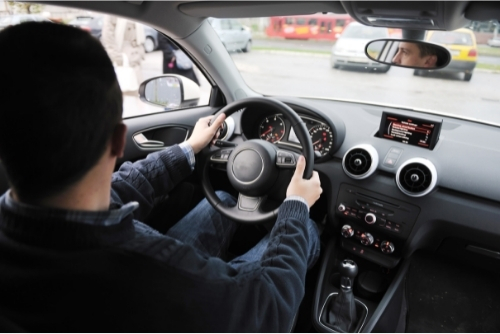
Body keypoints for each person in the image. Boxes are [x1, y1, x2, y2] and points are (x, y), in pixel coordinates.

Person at [0, 22, 322, 332]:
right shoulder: (150, 275)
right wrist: (294, 206)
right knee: (306, 231)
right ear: (118, 141)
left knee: (222, 201)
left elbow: (121, 188)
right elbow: (267, 311)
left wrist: (188, 149)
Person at [101, 15, 145, 91]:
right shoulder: (112, 11)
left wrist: (140, 51)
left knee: (139, 92)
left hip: (136, 60)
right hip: (122, 60)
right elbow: (108, 36)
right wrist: (119, 59)